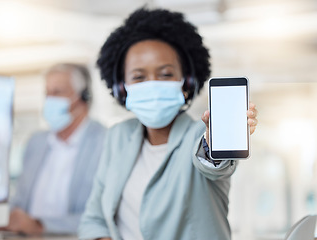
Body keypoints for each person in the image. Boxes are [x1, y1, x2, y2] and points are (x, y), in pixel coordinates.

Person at [78, 8, 258, 240]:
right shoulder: (118, 136)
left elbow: (215, 166)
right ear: (122, 88)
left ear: (187, 83)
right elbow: (94, 219)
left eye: (165, 74)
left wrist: (215, 141)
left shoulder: (198, 137)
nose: (152, 84)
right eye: (139, 77)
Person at [8, 63, 106, 235]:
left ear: (84, 96)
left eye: (57, 92)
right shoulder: (35, 141)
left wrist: (40, 225)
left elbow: (101, 216)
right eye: (47, 93)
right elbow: (19, 200)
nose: (49, 100)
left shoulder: (105, 142)